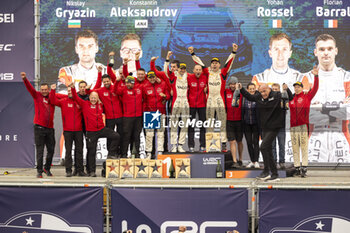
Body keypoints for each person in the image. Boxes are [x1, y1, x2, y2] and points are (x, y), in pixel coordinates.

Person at [251, 33, 305, 162]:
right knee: (270, 150)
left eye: (284, 49)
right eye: (276, 49)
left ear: (290, 53)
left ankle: (283, 164)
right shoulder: (259, 78)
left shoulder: (301, 78)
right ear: (270, 52)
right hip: (268, 125)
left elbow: (303, 105)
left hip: (292, 130)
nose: (280, 54)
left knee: (284, 152)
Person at [302, 34, 350, 163]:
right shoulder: (305, 79)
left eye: (329, 49)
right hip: (314, 140)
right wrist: (339, 109)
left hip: (342, 139)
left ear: (336, 51)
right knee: (313, 180)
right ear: (315, 52)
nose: (326, 53)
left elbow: (349, 112)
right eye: (322, 49)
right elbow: (304, 113)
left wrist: (319, 108)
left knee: (344, 181)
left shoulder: (347, 78)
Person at [237, 82, 292, 182]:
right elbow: (249, 97)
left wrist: (287, 90)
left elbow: (290, 98)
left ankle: (267, 171)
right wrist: (241, 89)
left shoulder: (277, 95)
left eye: (265, 91)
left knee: (263, 147)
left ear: (269, 89)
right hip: (265, 127)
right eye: (261, 91)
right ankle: (273, 174)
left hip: (275, 126)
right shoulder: (258, 96)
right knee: (268, 150)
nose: (263, 93)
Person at [191, 43, 238, 152]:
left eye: (216, 63)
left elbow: (229, 63)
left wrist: (233, 52)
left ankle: (223, 144)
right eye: (212, 63)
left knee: (222, 122)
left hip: (220, 100)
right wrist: (192, 53)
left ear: (219, 65)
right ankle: (209, 144)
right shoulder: (207, 72)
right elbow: (199, 63)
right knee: (210, 123)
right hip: (210, 101)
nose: (214, 65)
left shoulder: (223, 72)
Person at [70, 83, 120, 177]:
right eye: (92, 98)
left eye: (95, 98)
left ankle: (111, 154)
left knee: (116, 136)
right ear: (89, 98)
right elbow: (76, 98)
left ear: (98, 98)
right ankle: (91, 171)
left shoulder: (100, 105)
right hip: (91, 132)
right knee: (91, 152)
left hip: (101, 129)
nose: (93, 99)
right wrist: (73, 89)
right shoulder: (85, 104)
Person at [21, 72, 55, 178]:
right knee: (40, 150)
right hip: (39, 128)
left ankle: (47, 168)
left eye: (46, 89)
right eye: (42, 89)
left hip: (50, 129)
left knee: (51, 150)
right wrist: (25, 79)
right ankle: (39, 171)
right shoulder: (37, 96)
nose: (44, 91)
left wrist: (54, 91)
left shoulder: (52, 97)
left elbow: (57, 99)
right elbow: (30, 88)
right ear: (40, 90)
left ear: (48, 90)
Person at [49, 84, 85, 177]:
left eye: (71, 90)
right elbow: (52, 101)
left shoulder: (79, 102)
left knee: (79, 151)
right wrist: (52, 90)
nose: (69, 92)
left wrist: (73, 89)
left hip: (78, 130)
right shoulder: (63, 101)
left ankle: (80, 170)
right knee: (68, 152)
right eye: (68, 91)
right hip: (68, 131)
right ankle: (68, 170)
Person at [290, 66, 319, 177]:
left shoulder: (307, 97)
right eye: (295, 87)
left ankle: (304, 167)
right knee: (295, 147)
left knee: (304, 147)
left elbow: (315, 88)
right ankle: (297, 167)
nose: (296, 89)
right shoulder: (291, 99)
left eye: (298, 87)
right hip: (293, 127)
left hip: (303, 126)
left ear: (302, 88)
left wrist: (316, 76)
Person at [92, 66, 122, 158]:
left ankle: (119, 152)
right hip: (109, 118)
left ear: (110, 80)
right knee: (110, 136)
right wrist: (99, 73)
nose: (106, 83)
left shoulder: (115, 88)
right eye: (104, 82)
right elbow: (93, 90)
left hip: (120, 116)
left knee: (121, 135)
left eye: (107, 81)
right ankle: (111, 153)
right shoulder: (100, 90)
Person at [164, 51, 190, 153]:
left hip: (185, 103)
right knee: (174, 124)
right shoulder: (173, 76)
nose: (182, 70)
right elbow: (166, 71)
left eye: (184, 69)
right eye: (180, 69)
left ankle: (180, 145)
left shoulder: (189, 76)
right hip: (175, 102)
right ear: (178, 69)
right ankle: (174, 145)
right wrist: (167, 58)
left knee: (184, 125)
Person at [115, 75, 143, 158]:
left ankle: (136, 153)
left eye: (129, 83)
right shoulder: (123, 89)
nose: (127, 85)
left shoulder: (139, 88)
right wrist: (117, 81)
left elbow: (145, 98)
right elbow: (115, 91)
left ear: (133, 83)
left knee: (137, 136)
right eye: (126, 83)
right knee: (126, 136)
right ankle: (124, 154)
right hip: (127, 117)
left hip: (138, 116)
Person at [143, 70, 170, 158]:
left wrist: (165, 96)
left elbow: (168, 95)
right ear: (147, 78)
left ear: (156, 77)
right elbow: (143, 100)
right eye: (150, 77)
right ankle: (148, 153)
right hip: (149, 113)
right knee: (149, 135)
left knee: (161, 134)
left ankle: (160, 152)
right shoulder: (145, 86)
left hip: (161, 113)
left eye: (153, 77)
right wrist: (146, 111)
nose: (152, 79)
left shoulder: (162, 84)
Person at [225, 76, 243, 168]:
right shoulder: (226, 92)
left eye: (234, 83)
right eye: (231, 83)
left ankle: (240, 159)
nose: (232, 85)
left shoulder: (241, 93)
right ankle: (234, 161)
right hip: (229, 121)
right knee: (232, 141)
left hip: (239, 120)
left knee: (239, 141)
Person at [242, 83, 260, 169]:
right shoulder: (244, 98)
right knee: (249, 143)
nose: (252, 90)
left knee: (255, 142)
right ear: (247, 89)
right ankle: (252, 161)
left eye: (253, 89)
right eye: (250, 89)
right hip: (246, 124)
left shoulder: (258, 98)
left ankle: (256, 161)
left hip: (256, 124)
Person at [270, 83, 286, 169]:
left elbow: (289, 99)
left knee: (282, 145)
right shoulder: (268, 100)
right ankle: (274, 162)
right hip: (272, 127)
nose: (275, 91)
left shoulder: (283, 100)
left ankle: (282, 162)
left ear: (279, 90)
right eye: (273, 89)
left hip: (281, 127)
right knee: (272, 146)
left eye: (276, 89)